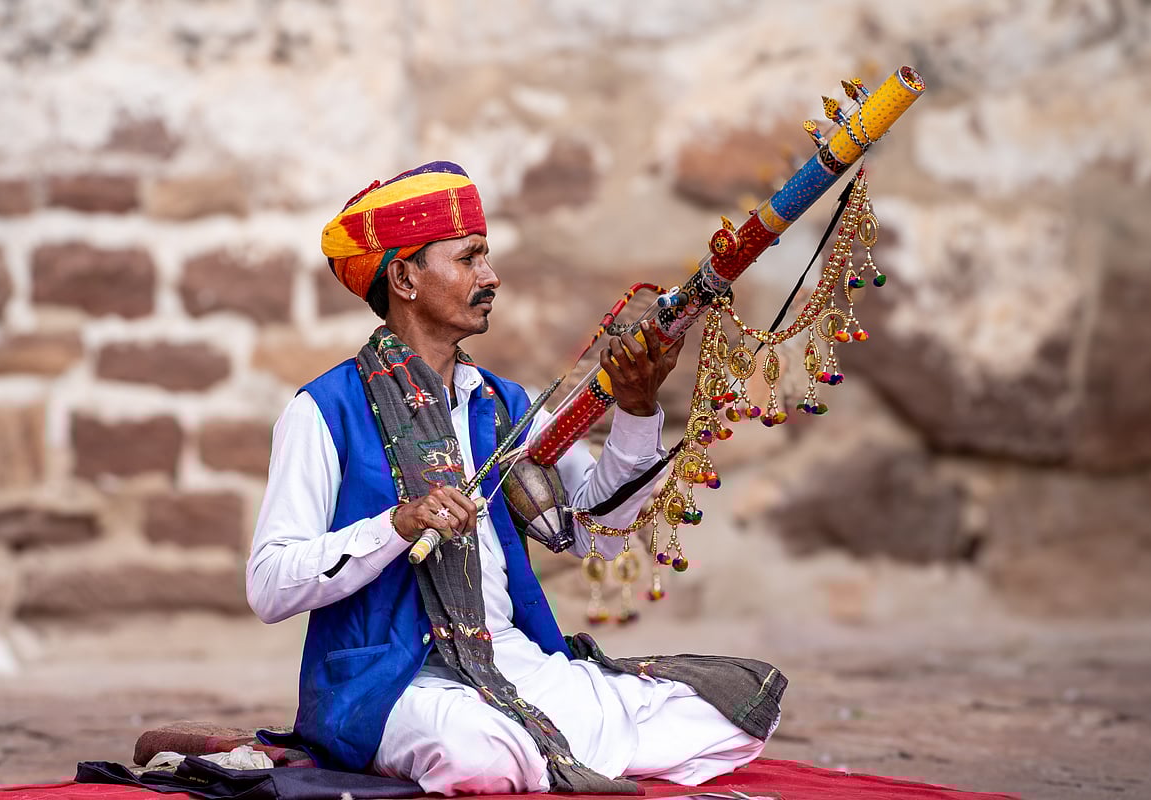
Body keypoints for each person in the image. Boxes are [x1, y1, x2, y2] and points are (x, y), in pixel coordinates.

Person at [246, 162, 784, 795]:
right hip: (395, 682)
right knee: (478, 751)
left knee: (732, 712)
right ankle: (536, 751)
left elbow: (599, 536)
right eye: (470, 259)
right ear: (404, 277)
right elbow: (269, 586)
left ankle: (541, 751)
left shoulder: (504, 407)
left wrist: (637, 413)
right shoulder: (322, 412)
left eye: (487, 258)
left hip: (512, 662)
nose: (491, 277)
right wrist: (397, 524)